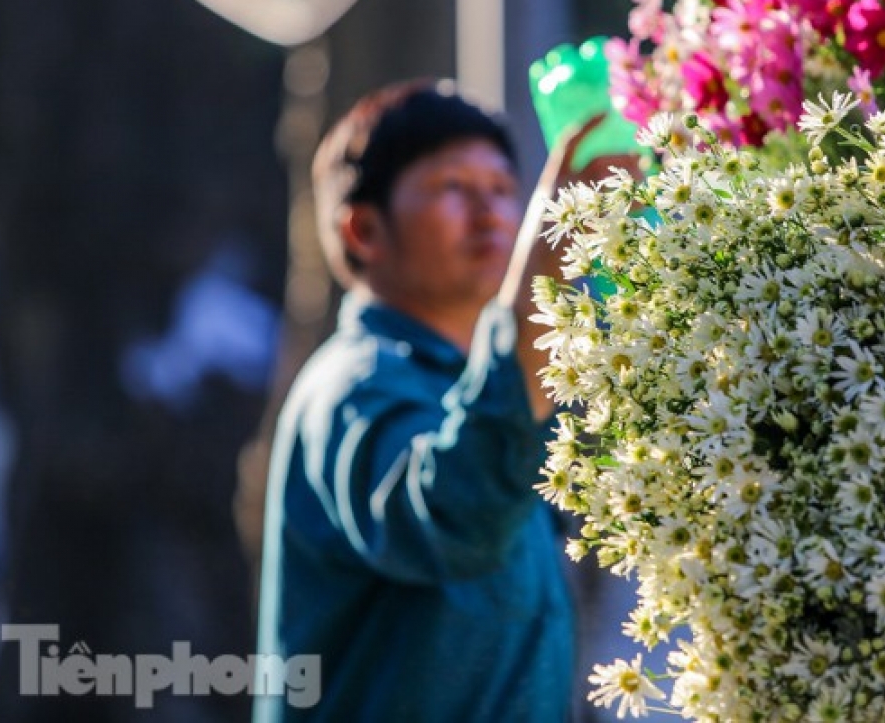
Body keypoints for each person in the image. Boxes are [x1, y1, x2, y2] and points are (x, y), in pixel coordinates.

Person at [253, 79, 625, 722]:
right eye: (455, 188)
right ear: (365, 230)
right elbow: (457, 515)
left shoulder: (490, 385)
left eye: (506, 191)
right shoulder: (348, 389)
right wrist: (545, 281)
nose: (494, 215)